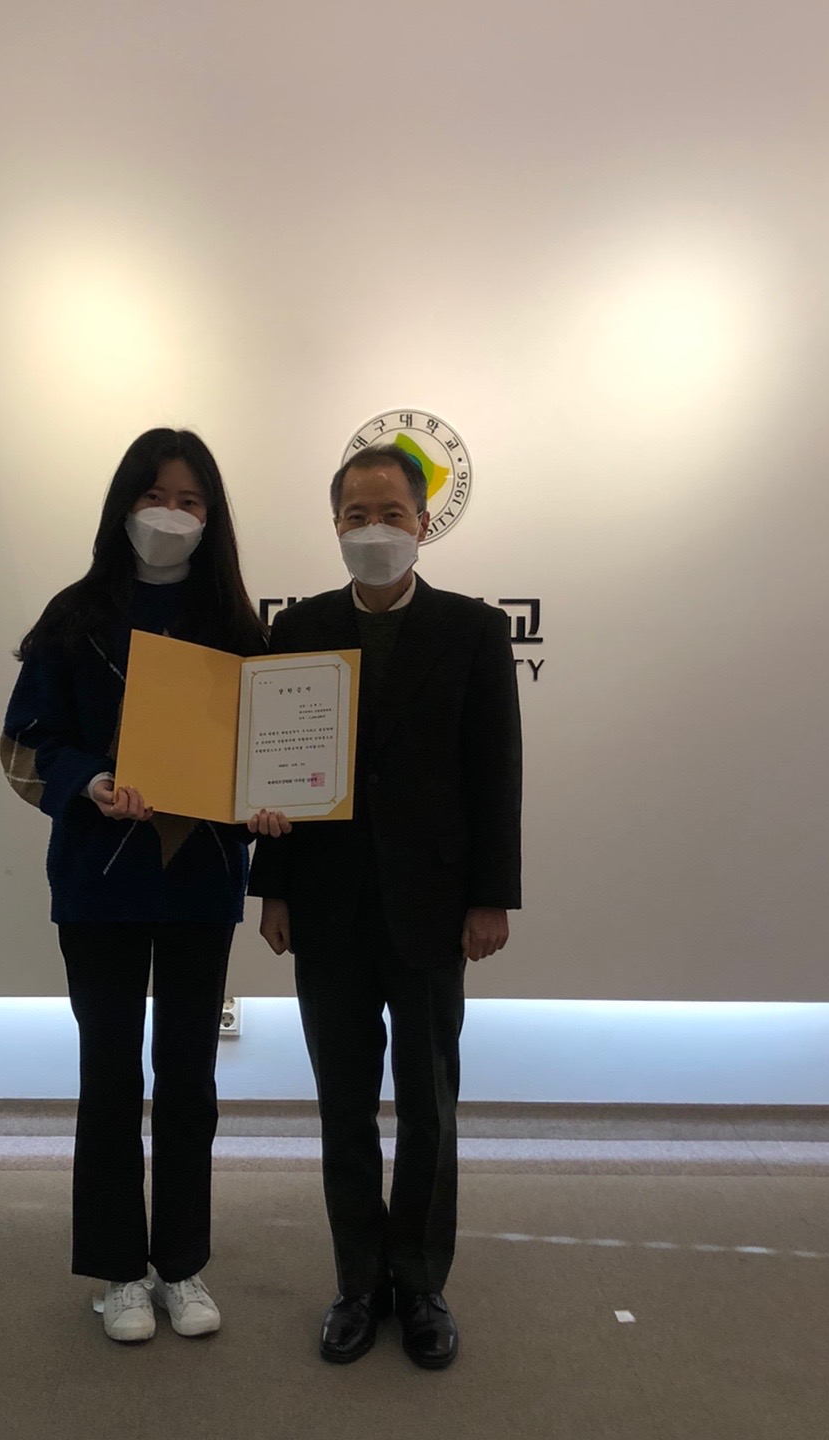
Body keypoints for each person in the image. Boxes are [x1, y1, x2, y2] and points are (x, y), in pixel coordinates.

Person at [248, 443, 522, 1370]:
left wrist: (491, 898)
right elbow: (273, 772)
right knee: (342, 1104)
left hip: (434, 905)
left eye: (391, 514)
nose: (374, 531)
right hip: (325, 903)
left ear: (423, 522)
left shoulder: (474, 630)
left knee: (430, 1106)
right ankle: (358, 1283)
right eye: (356, 516)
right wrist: (273, 884)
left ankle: (423, 1282)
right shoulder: (297, 629)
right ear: (335, 526)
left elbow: (496, 774)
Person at [0, 428, 266, 1344]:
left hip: (201, 879)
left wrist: (270, 804)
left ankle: (181, 1264)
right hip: (99, 880)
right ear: (124, 505)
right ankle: (119, 1270)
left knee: (189, 1078)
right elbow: (25, 745)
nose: (171, 515)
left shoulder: (237, 626)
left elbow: (266, 751)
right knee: (109, 1073)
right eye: (156, 496)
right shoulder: (74, 615)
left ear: (211, 517)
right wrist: (92, 783)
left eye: (190, 501)